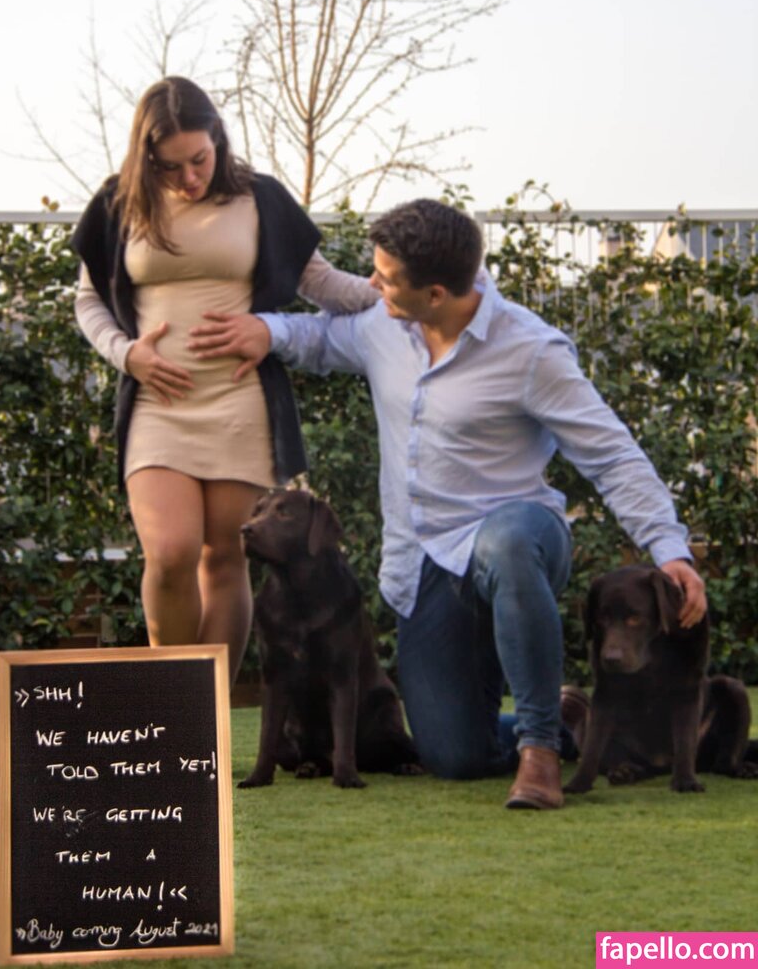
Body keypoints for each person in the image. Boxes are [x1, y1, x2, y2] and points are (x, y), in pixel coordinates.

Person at [187, 198, 707, 810]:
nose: (371, 284)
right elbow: (322, 338)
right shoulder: (386, 325)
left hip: (518, 538)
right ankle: (568, 716)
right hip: (426, 563)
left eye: (385, 277)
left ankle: (540, 749)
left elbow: (612, 455)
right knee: (453, 756)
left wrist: (669, 549)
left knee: (507, 541)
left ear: (435, 293)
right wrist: (268, 331)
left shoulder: (531, 351)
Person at [72, 76, 377, 683]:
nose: (189, 177)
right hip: (159, 405)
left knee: (225, 558)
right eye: (170, 166)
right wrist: (127, 355)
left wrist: (393, 289)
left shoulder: (260, 197)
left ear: (218, 138)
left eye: (199, 159)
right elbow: (88, 302)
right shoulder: (118, 203)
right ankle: (172, 703)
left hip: (241, 402)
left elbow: (322, 284)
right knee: (170, 553)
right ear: (145, 158)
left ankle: (204, 716)